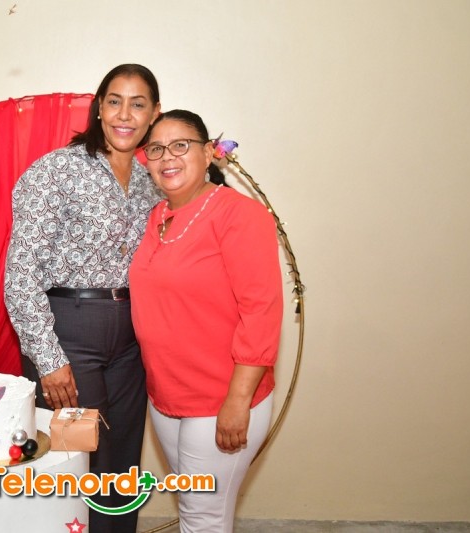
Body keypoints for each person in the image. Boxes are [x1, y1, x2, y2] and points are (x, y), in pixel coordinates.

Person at [4, 64, 162, 533]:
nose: (125, 115)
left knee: (122, 459)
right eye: (115, 101)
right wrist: (49, 359)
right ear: (98, 108)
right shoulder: (56, 170)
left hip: (132, 338)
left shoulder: (152, 179)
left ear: (154, 114)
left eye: (138, 104)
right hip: (69, 333)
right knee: (74, 461)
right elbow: (21, 273)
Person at [129, 109, 283, 532]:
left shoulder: (240, 214)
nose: (167, 157)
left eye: (181, 145)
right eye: (156, 149)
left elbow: (261, 311)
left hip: (220, 397)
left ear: (209, 153)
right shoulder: (157, 216)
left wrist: (237, 401)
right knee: (193, 510)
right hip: (168, 395)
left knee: (203, 520)